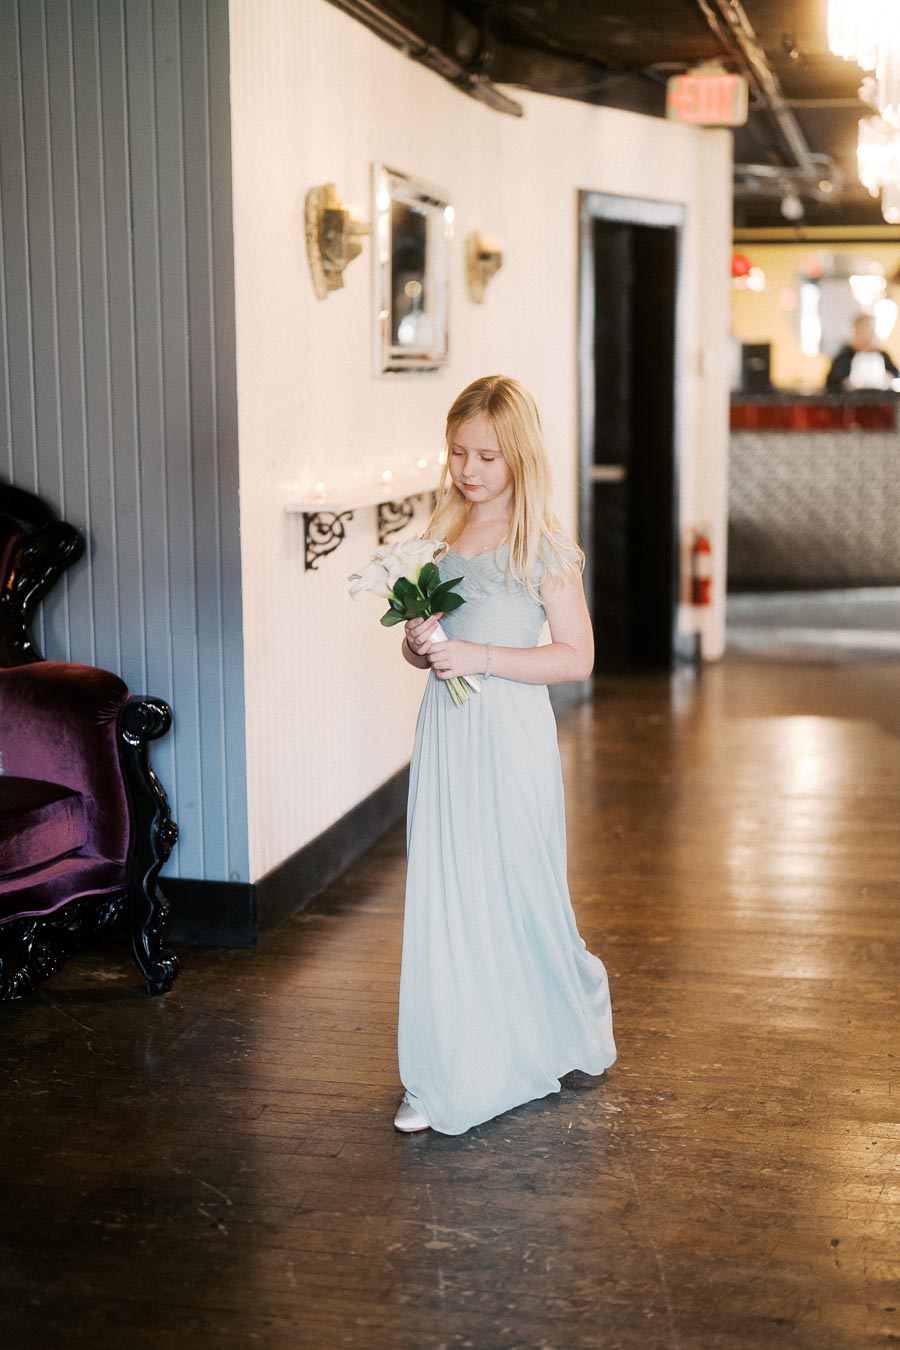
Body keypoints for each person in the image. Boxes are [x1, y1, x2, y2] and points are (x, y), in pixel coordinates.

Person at [394, 374, 617, 1136]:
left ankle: (549, 1024)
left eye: (487, 455)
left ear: (518, 457)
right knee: (448, 894)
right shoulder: (444, 531)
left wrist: (479, 654)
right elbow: (426, 652)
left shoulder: (542, 543)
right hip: (449, 737)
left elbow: (576, 657)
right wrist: (421, 645)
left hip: (511, 739)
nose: (469, 470)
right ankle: (444, 1063)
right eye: (459, 452)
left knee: (514, 888)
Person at [825, 314, 899, 392]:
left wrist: (890, 378)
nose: (870, 338)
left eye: (872, 333)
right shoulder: (844, 357)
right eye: (866, 333)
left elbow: (896, 376)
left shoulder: (883, 356)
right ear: (856, 333)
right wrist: (844, 384)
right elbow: (832, 384)